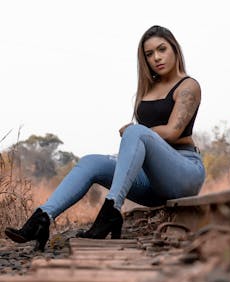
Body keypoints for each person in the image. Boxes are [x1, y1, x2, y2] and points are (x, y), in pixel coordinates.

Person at [4, 25, 206, 251]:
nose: (156, 57)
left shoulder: (188, 85)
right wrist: (135, 135)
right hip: (152, 182)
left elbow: (172, 132)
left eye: (162, 49)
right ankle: (40, 220)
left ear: (175, 50)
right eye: (149, 54)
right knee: (91, 161)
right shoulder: (147, 91)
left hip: (184, 172)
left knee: (136, 131)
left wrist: (135, 131)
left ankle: (111, 210)